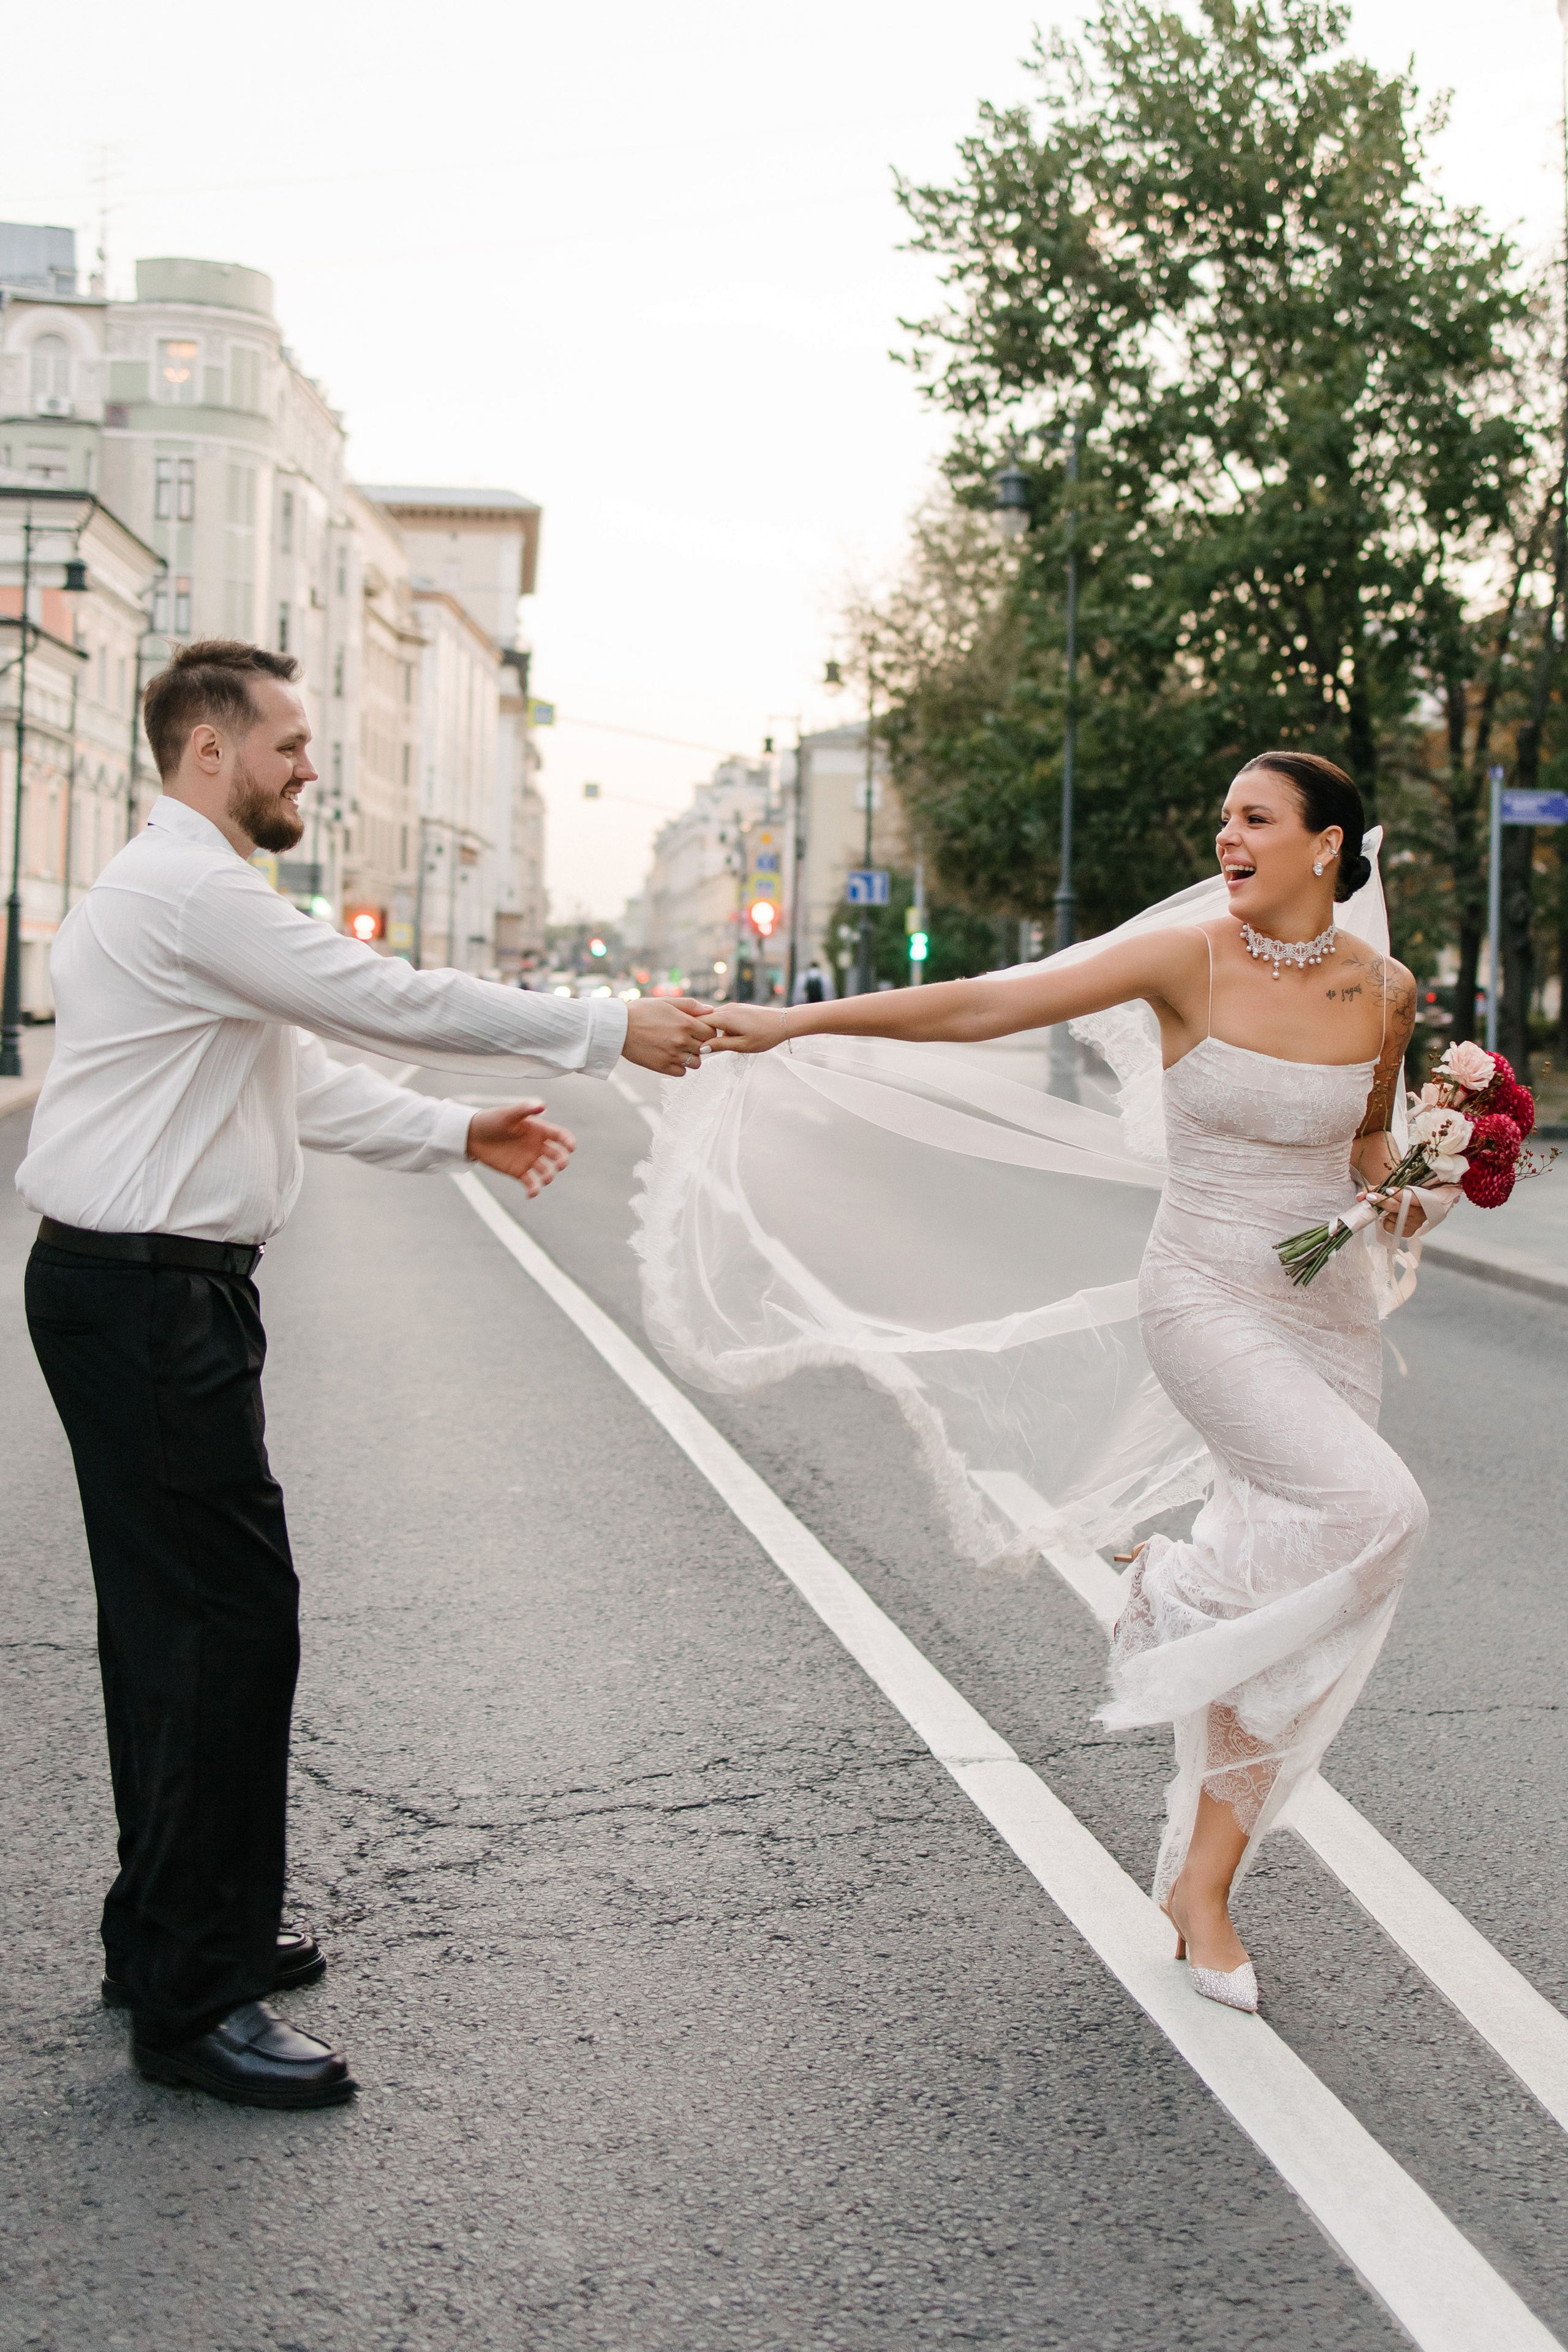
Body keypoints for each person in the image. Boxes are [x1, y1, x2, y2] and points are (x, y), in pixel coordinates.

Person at [19, 639, 715, 2109]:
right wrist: (606, 1031)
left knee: (175, 1627)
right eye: (288, 741)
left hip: (141, 1292)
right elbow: (378, 999)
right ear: (209, 751)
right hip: (145, 1298)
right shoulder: (193, 886)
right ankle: (191, 1998)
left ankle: (164, 1930)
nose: (309, 766)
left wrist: (454, 1134)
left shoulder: (175, 894)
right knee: (223, 1627)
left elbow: (287, 1073)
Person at [696, 752, 1433, 2013]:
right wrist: (795, 1020)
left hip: (1320, 1314)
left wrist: (1417, 1185)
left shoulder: (1389, 994)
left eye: (1253, 820)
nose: (1224, 838)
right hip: (1202, 1299)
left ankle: (1203, 1889)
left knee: (1295, 1590)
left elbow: (1366, 1148)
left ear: (1326, 848)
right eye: (1221, 819)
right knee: (1375, 1513)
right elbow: (991, 1001)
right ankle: (1172, 1586)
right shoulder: (1184, 961)